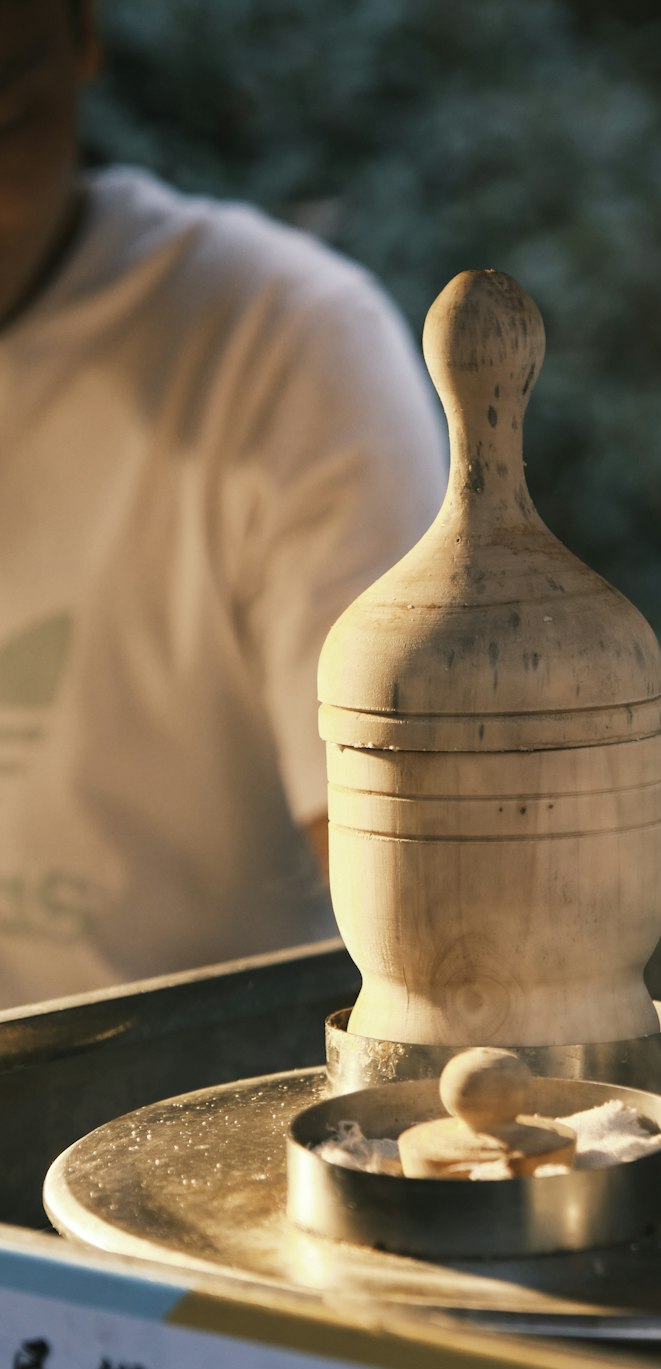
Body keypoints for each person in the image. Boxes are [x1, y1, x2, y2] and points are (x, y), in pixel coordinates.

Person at [0, 0, 446, 1008]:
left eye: (1, 127)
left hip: (192, 1125)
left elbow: (435, 949)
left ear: (80, 35)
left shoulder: (285, 354)